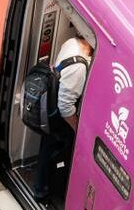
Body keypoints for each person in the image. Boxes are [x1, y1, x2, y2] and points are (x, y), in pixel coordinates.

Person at [33, 36, 92, 201]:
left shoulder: (71, 42)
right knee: (56, 153)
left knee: (46, 149)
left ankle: (42, 188)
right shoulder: (79, 67)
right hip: (60, 118)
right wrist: (78, 129)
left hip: (50, 108)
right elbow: (65, 107)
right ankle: (46, 192)